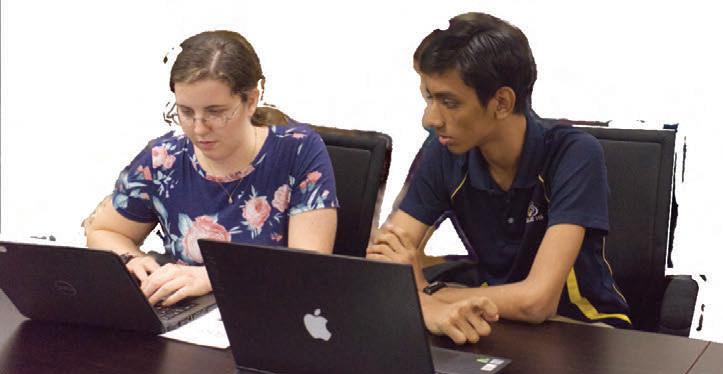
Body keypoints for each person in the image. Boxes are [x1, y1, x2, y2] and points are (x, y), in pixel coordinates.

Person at [367, 13, 630, 344]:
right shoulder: (444, 151)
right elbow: (385, 259)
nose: (430, 119)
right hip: (493, 320)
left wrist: (428, 293)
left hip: (582, 329)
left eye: (449, 102)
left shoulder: (574, 153)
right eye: (428, 98)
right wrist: (423, 299)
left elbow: (537, 302)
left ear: (502, 103)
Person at [86, 30, 338, 306]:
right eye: (185, 112)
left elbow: (307, 269)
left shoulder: (298, 150)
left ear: (251, 100)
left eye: (215, 112)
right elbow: (105, 231)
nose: (199, 128)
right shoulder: (163, 159)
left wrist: (212, 278)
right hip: (185, 315)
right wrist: (132, 259)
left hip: (267, 312)